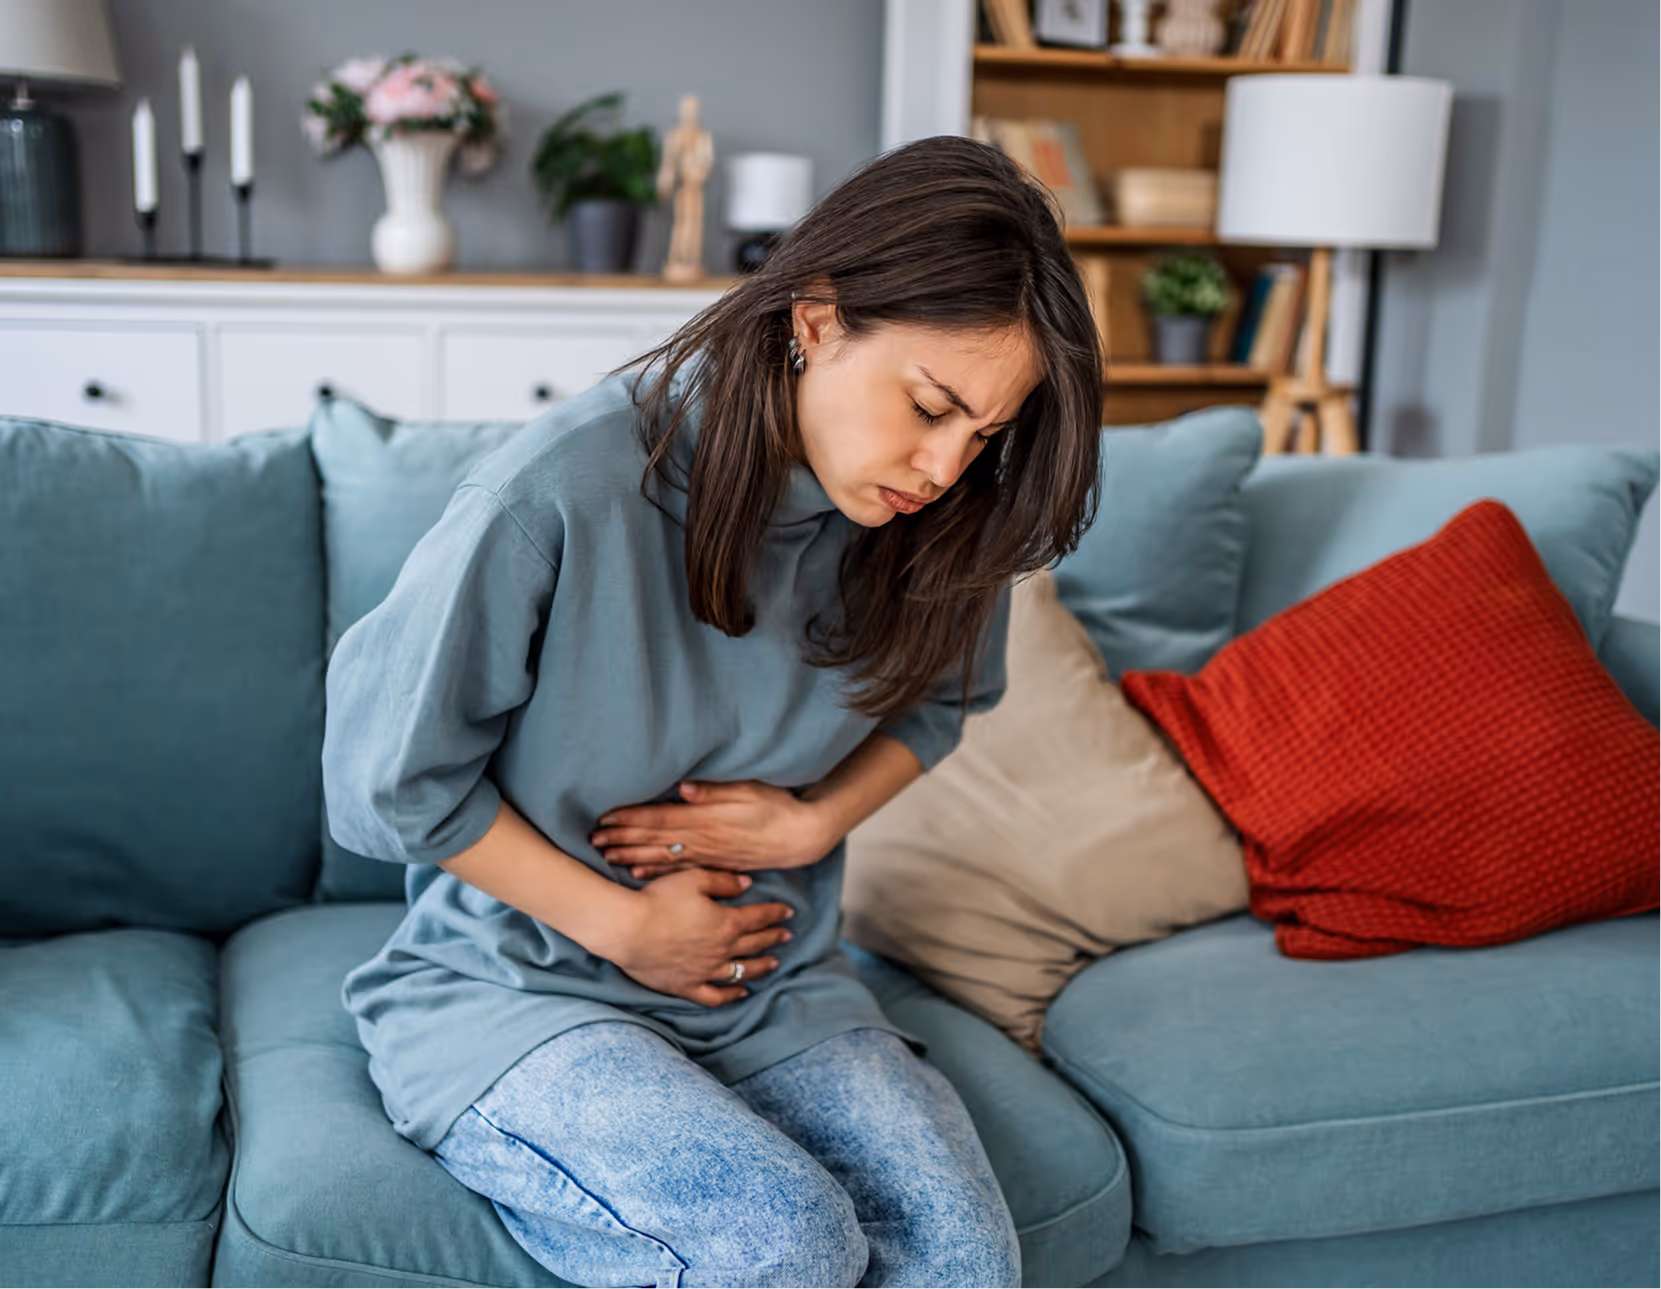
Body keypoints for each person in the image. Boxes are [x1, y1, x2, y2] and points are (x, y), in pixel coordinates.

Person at [323, 133, 1103, 1289]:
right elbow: (381, 777)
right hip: (516, 986)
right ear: (819, 317)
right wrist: (624, 925)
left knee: (963, 1258)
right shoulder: (563, 486)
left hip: (776, 989)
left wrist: (812, 822)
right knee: (780, 1243)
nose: (943, 465)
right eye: (930, 405)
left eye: (981, 434)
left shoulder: (940, 520)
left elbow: (941, 704)